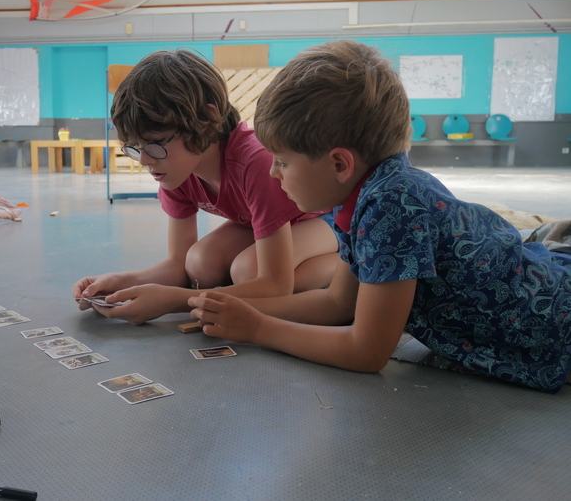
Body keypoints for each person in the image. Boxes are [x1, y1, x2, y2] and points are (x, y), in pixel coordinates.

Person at [188, 39, 571, 393]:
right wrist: (234, 310)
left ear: (340, 163)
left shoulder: (390, 206)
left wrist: (257, 328)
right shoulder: (360, 192)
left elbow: (367, 351)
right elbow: (338, 304)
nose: (273, 173)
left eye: (283, 162)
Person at [72, 49, 340, 325]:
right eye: (135, 147)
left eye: (155, 143)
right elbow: (178, 265)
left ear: (207, 118)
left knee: (249, 271)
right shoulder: (173, 167)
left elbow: (274, 285)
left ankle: (345, 267)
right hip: (267, 225)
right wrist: (123, 281)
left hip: (324, 219)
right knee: (199, 264)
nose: (144, 160)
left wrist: (175, 301)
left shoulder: (254, 162)